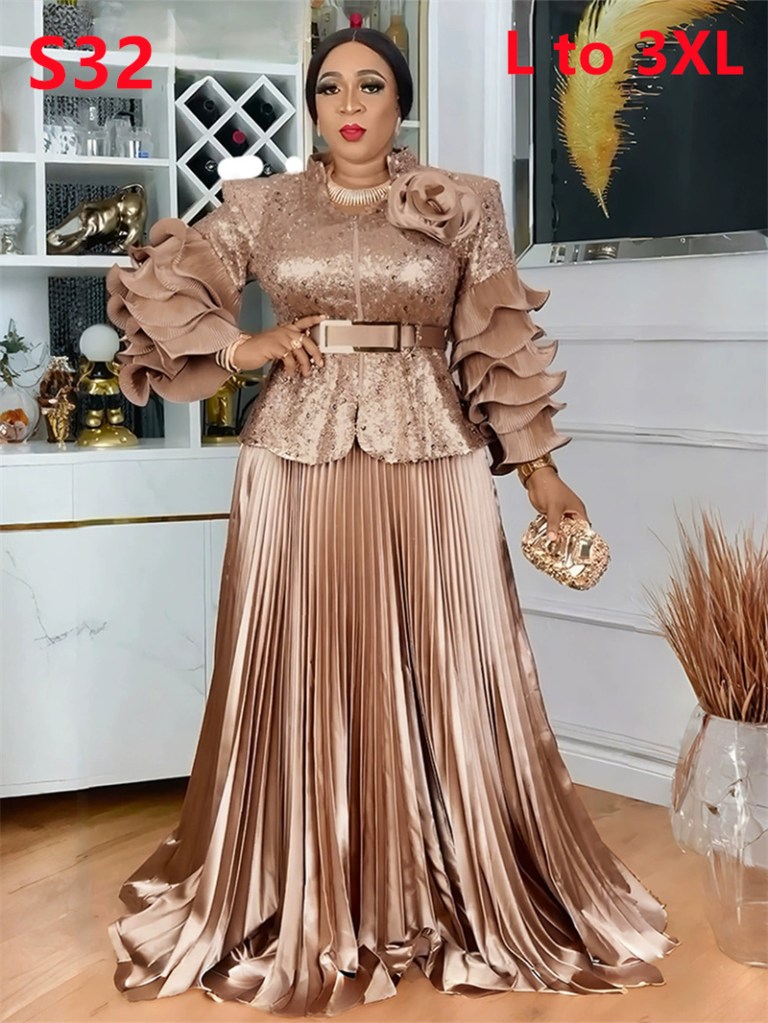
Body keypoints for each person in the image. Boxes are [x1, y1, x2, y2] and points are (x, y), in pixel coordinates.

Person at [105, 26, 679, 1018]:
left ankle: (447, 878)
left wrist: (541, 474)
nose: (349, 103)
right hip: (296, 462)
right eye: (329, 87)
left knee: (454, 662)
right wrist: (244, 349)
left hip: (434, 460)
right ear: (313, 107)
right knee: (301, 658)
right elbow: (164, 288)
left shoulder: (464, 203)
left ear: (400, 101)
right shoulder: (262, 206)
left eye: (370, 84)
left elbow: (495, 342)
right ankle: (299, 876)